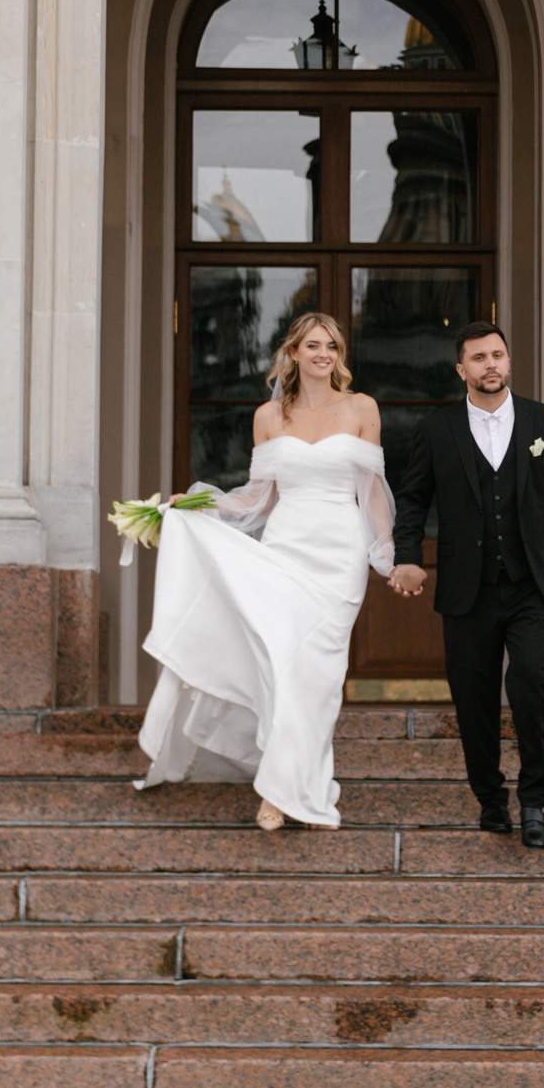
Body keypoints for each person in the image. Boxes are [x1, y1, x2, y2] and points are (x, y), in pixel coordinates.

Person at [133, 312, 396, 831]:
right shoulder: (269, 417)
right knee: (282, 666)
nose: (325, 354)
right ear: (293, 353)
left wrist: (387, 555)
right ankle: (277, 790)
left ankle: (301, 785)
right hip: (285, 550)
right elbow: (259, 497)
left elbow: (371, 491)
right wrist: (200, 505)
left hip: (339, 555)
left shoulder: (362, 408)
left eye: (333, 347)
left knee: (318, 677)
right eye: (314, 345)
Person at [388, 323, 544, 849]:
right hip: (468, 588)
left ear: (508, 362)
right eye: (479, 357)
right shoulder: (435, 429)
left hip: (535, 582)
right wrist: (408, 558)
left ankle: (535, 801)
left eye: (498, 355)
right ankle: (490, 798)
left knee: (533, 680)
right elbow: (413, 500)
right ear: (461, 369)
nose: (491, 364)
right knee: (473, 698)